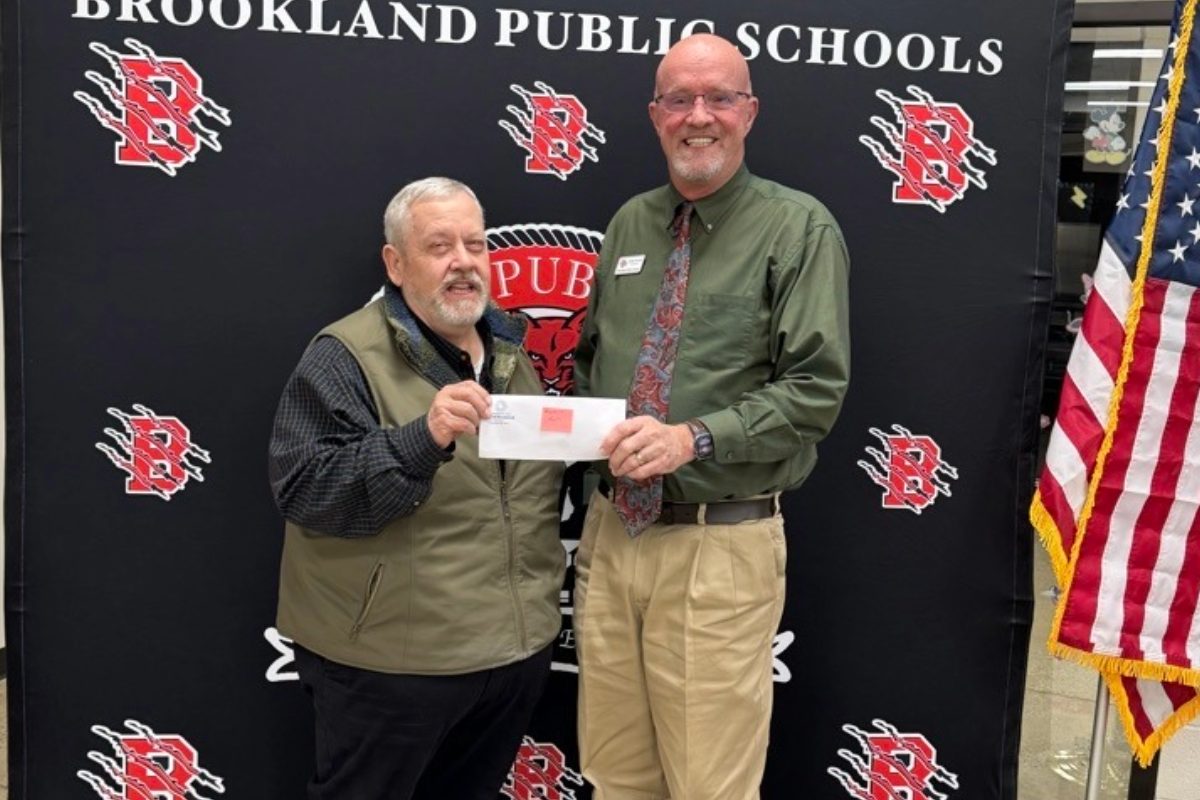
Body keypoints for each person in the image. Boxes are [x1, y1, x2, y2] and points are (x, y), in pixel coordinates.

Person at [572, 33, 851, 800]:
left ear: (749, 112)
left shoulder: (798, 229)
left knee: (710, 786)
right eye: (680, 100)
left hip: (716, 548)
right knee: (614, 771)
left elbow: (816, 390)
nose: (700, 116)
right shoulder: (630, 225)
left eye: (719, 98)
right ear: (655, 114)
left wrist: (691, 437)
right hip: (613, 536)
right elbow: (595, 362)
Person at [268, 177, 565, 800]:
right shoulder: (344, 354)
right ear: (395, 263)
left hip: (509, 652)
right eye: (438, 246)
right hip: (389, 666)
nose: (463, 262)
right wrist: (420, 440)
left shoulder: (513, 351)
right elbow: (305, 488)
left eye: (475, 245)